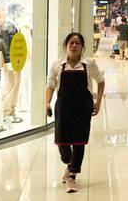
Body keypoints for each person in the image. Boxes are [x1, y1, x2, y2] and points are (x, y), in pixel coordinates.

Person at [44, 32, 105, 192]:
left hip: (83, 108)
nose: (74, 46)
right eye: (71, 43)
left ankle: (72, 176)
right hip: (63, 107)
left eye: (77, 43)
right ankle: (69, 164)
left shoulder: (89, 64)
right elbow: (50, 84)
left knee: (79, 142)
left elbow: (101, 80)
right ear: (66, 45)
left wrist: (98, 102)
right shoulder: (58, 64)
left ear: (82, 46)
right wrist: (47, 102)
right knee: (63, 143)